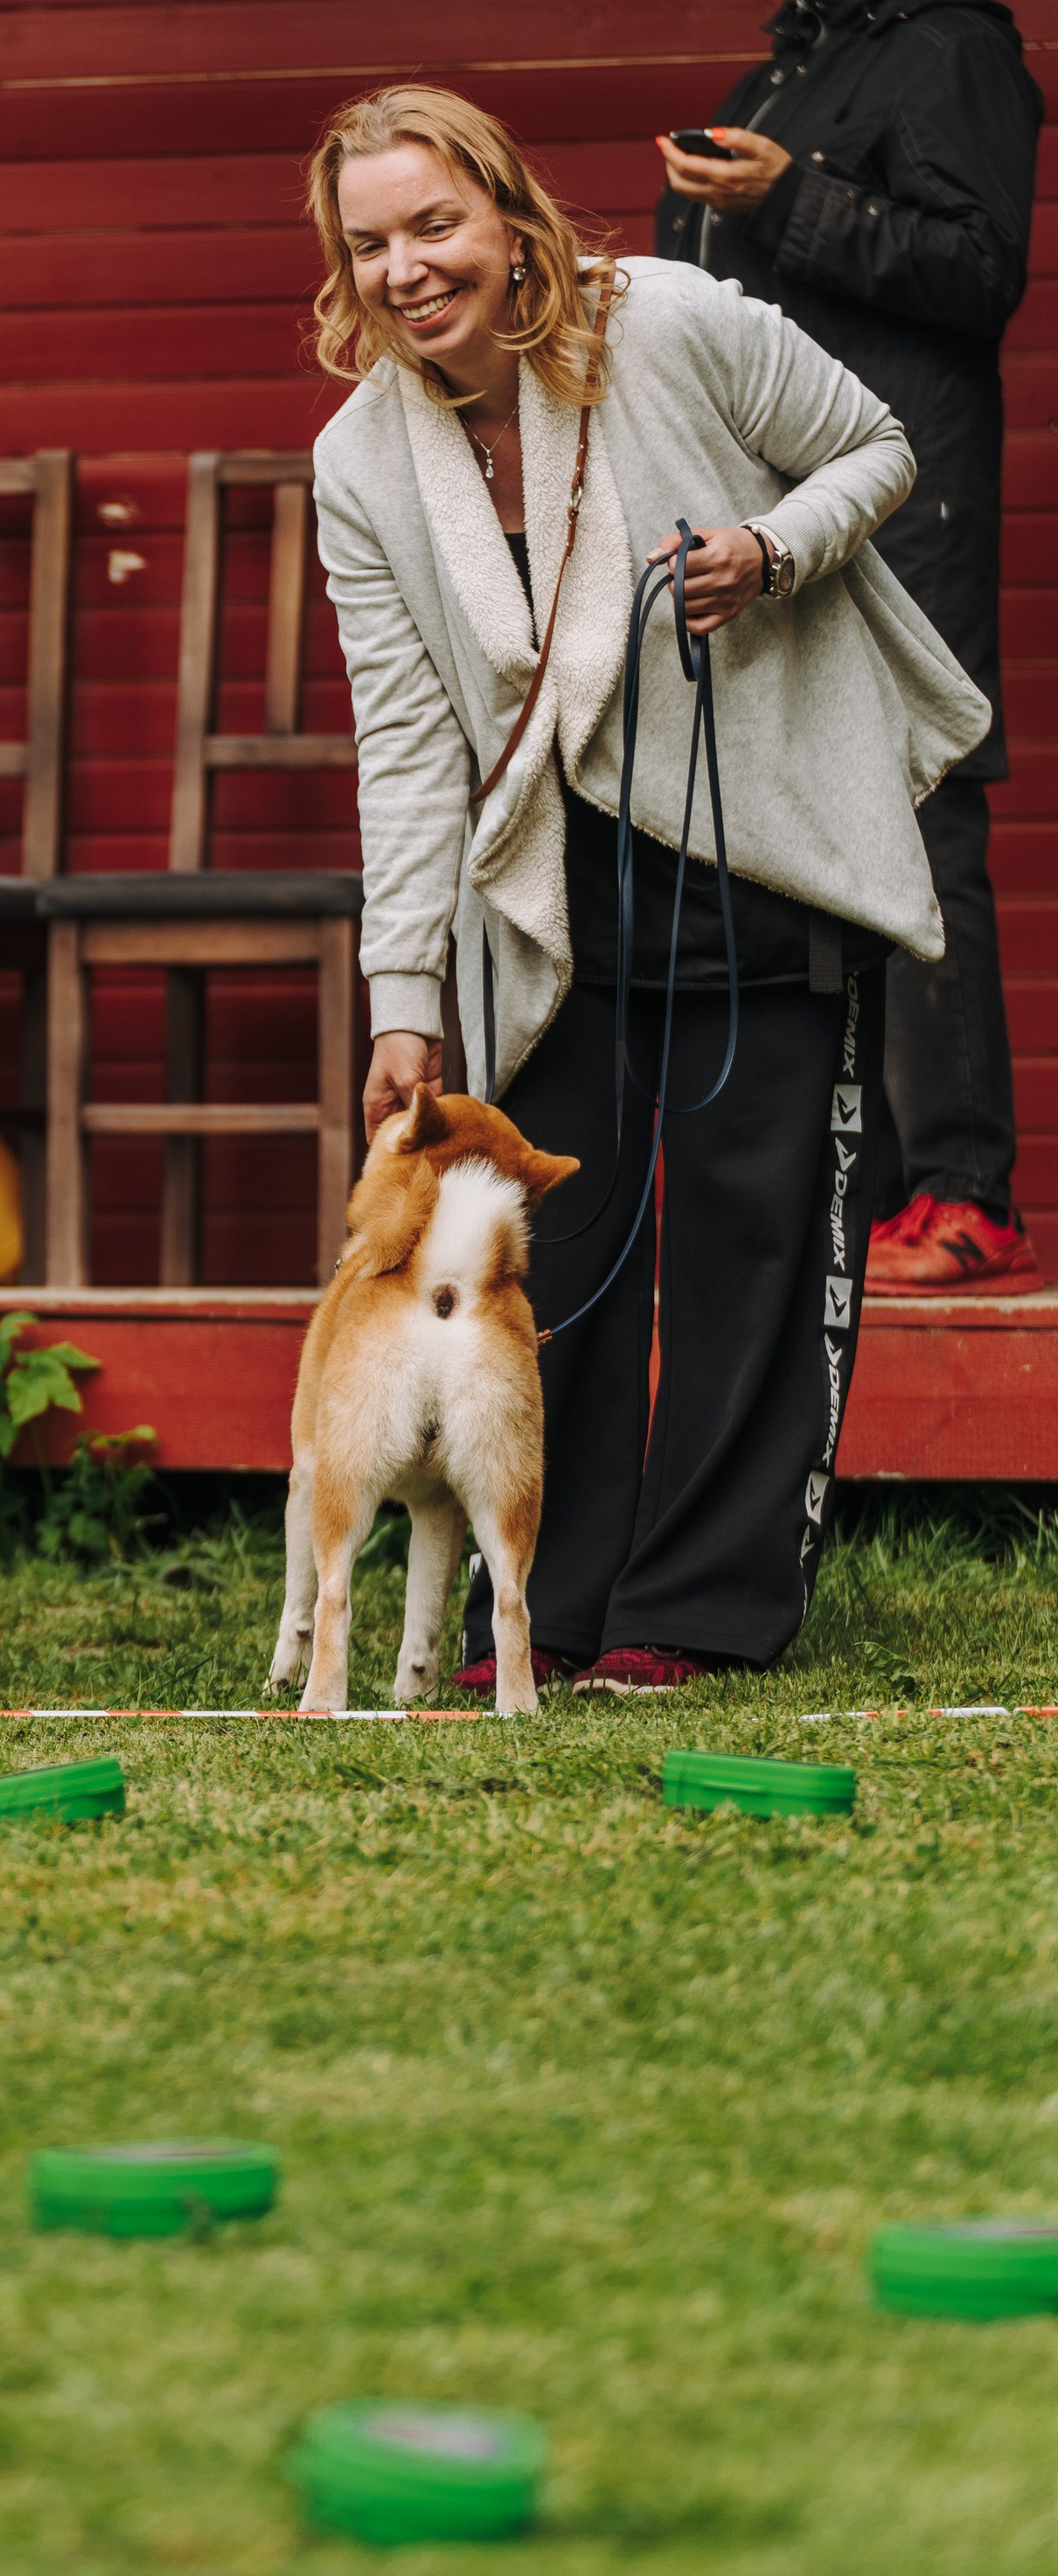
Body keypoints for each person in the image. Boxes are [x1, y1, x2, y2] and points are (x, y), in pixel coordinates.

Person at [308, 85, 987, 1693]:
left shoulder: (671, 321)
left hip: (761, 852)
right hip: (552, 905)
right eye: (369, 244)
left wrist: (772, 548)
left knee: (757, 1251)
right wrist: (405, 993)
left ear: (507, 208)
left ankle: (695, 1610)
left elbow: (877, 447)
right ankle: (548, 1602)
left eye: (434, 224)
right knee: (561, 1259)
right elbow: (406, 745)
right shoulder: (361, 461)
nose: (408, 268)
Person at [655, 0, 1045, 1296]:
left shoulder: (953, 53)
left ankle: (962, 1192)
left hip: (902, 492)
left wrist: (789, 198)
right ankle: (864, 1194)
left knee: (923, 822)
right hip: (787, 500)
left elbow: (977, 270)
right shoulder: (791, 69)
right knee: (819, 828)